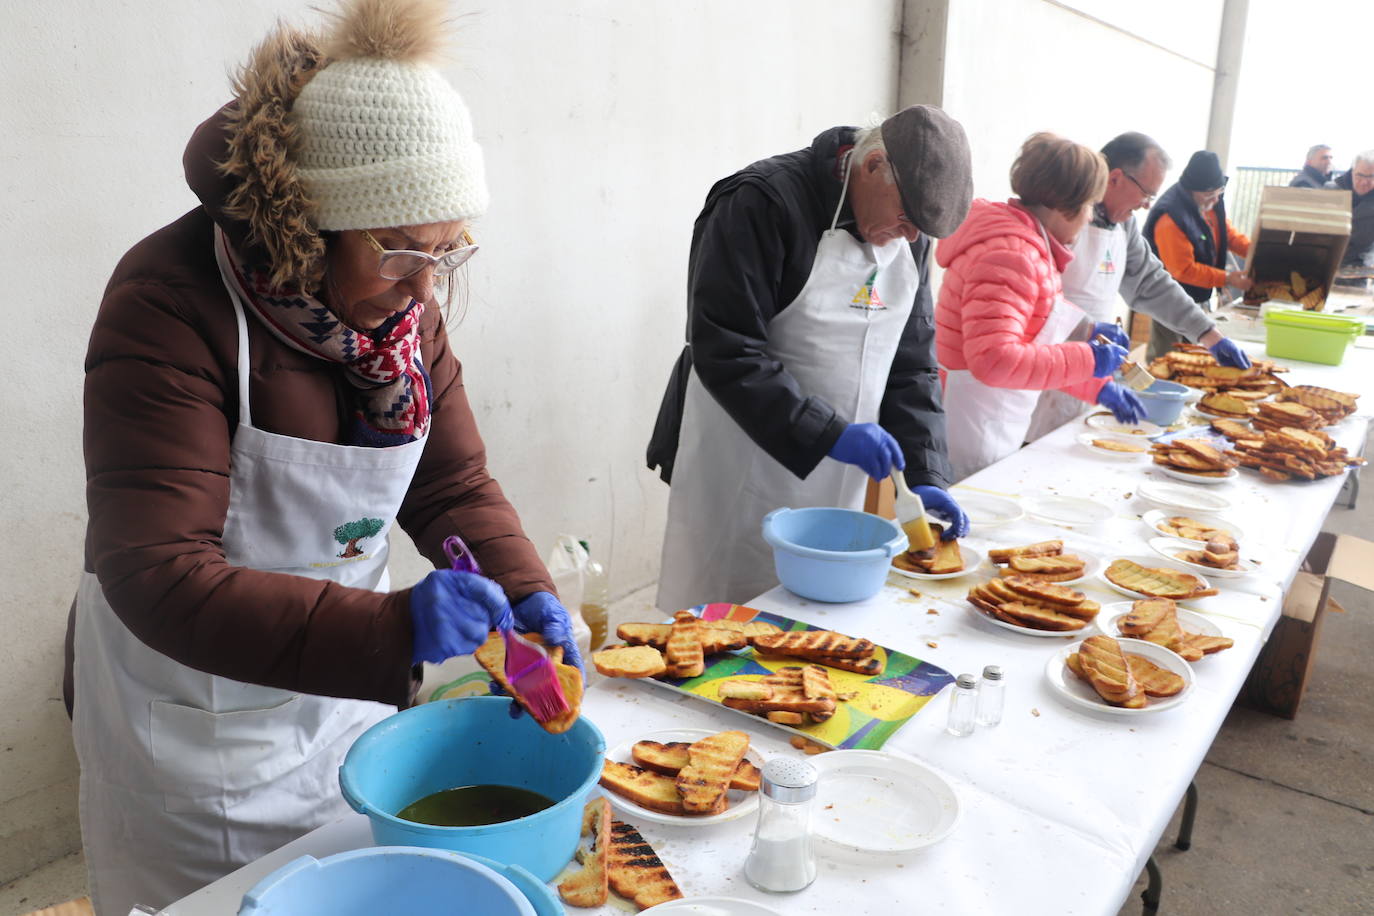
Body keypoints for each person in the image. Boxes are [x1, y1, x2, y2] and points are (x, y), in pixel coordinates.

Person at [67, 2, 582, 913]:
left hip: (340, 693)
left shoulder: (401, 312)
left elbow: (451, 479)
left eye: (446, 253)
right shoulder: (169, 305)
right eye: (398, 254)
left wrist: (526, 586)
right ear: (314, 228)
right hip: (195, 727)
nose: (426, 290)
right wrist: (391, 632)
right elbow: (157, 572)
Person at [647, 106, 973, 617]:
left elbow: (912, 364)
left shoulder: (909, 233)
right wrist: (830, 434)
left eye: (921, 230)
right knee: (722, 622)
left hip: (835, 480)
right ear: (872, 167)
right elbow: (728, 349)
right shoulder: (761, 202)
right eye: (906, 218)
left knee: (810, 625)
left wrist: (928, 469)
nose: (910, 238)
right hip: (742, 465)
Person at [934, 132, 1146, 482]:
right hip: (968, 435)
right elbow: (995, 359)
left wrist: (1094, 381)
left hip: (992, 425)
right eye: (1091, 205)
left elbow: (1035, 343)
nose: (1091, 216)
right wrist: (1088, 359)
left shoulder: (1030, 250)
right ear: (1066, 207)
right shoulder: (1011, 255)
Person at [1026, 133, 1251, 442]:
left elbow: (1151, 281)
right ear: (1116, 178)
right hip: (1033, 377)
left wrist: (1209, 335)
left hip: (1087, 379)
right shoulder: (1051, 220)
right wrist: (1086, 332)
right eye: (1146, 193)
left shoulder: (1124, 225)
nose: (1147, 205)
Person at [1142, 150, 1253, 359]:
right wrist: (1228, 279)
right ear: (1192, 190)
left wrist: (1258, 251)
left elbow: (1227, 234)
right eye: (1210, 195)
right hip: (1169, 300)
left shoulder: (1210, 201)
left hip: (1197, 298)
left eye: (1219, 193)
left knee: (1195, 355)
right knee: (1168, 359)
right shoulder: (1171, 216)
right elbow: (1182, 270)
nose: (1215, 199)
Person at [1334, 150, 1374, 272]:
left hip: (1361, 269)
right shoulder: (1331, 191)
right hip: (1326, 264)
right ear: (1352, 172)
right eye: (1360, 175)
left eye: (1372, 176)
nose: (1364, 182)